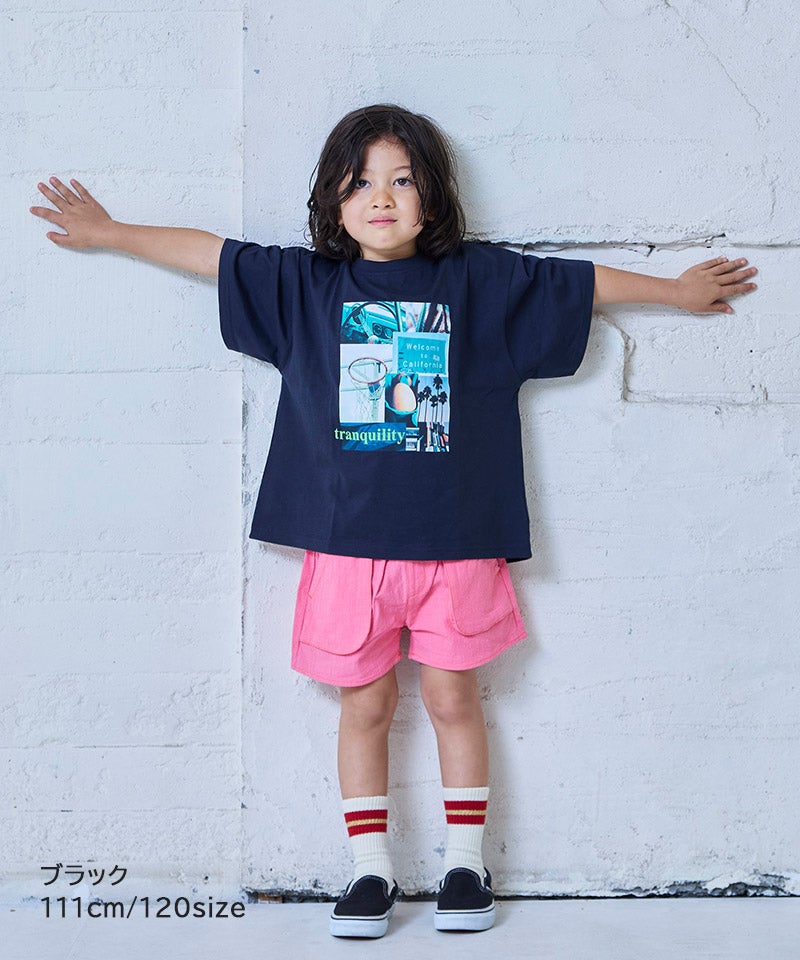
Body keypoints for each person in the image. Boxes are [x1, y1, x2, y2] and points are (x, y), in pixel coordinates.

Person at [29, 103, 758, 938]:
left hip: (457, 547)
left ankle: (465, 864)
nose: (381, 198)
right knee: (365, 705)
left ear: (433, 196)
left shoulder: (479, 284)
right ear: (333, 202)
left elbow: (580, 284)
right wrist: (111, 232)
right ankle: (369, 869)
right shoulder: (307, 288)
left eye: (402, 180)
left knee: (453, 697)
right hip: (347, 552)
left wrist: (675, 292)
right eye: (361, 182)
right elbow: (211, 254)